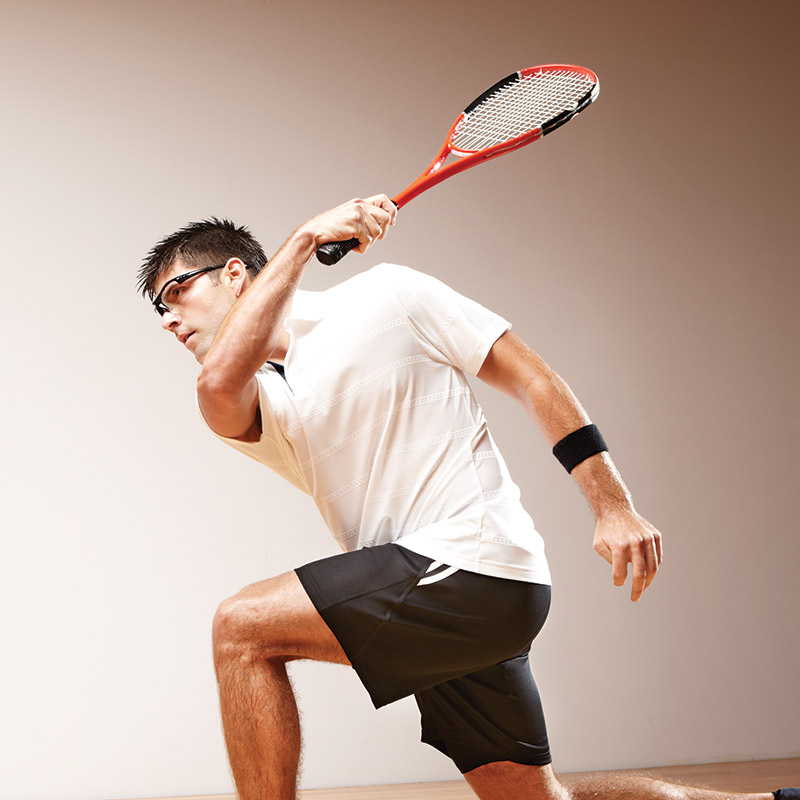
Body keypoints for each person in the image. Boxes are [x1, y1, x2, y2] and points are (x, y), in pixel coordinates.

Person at [138, 196, 797, 800]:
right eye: (157, 309)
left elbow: (534, 379)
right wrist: (308, 235)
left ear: (233, 275)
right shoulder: (248, 400)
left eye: (175, 291)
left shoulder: (390, 296)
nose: (167, 319)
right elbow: (223, 378)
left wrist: (611, 503)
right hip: (430, 598)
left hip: (476, 567)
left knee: (241, 628)